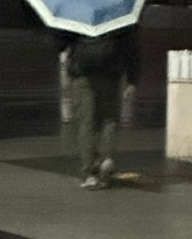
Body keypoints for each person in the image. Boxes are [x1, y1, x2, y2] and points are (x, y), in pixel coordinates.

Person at [57, 26, 140, 189]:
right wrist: (132, 79)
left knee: (86, 123)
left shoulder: (78, 15)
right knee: (109, 119)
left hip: (82, 74)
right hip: (110, 74)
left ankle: (89, 173)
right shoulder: (119, 16)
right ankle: (106, 159)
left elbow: (61, 44)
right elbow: (132, 48)